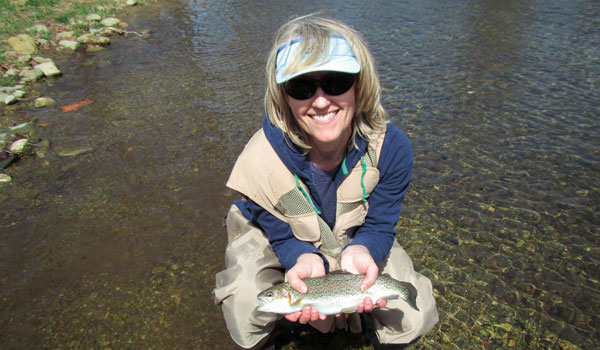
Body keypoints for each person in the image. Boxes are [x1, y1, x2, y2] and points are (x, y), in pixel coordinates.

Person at [214, 15, 438, 349]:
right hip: (279, 233)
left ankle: (366, 327)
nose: (320, 101)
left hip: (349, 235)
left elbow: (380, 225)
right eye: (301, 87)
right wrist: (301, 258)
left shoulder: (392, 148)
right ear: (283, 96)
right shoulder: (257, 161)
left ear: (359, 84)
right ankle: (279, 330)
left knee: (414, 317)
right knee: (247, 313)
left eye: (335, 82)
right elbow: (280, 235)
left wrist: (364, 250)